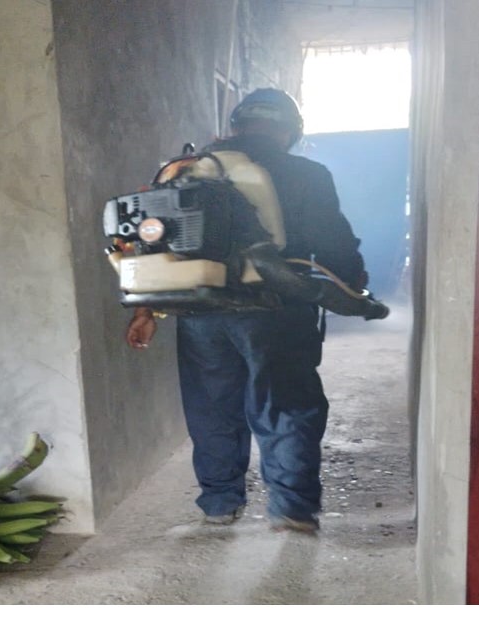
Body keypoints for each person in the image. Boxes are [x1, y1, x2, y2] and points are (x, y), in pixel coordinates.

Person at [125, 88, 366, 534]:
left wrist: (146, 312)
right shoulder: (305, 174)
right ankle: (292, 506)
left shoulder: (188, 170)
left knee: (211, 407)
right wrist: (353, 285)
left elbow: (151, 244)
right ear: (289, 131)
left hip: (199, 309)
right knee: (286, 403)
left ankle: (219, 501)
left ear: (235, 126)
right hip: (277, 308)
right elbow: (333, 241)